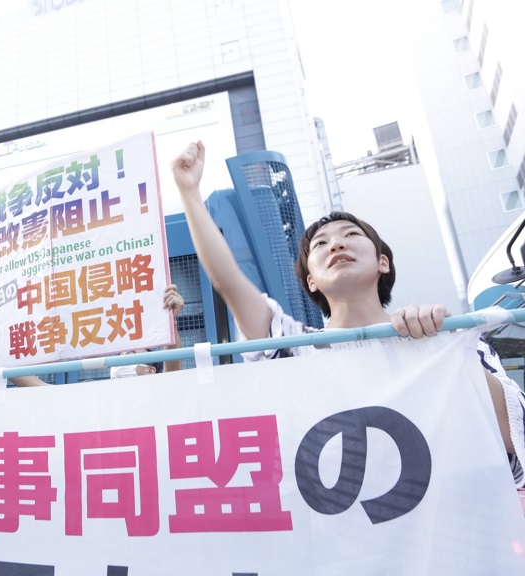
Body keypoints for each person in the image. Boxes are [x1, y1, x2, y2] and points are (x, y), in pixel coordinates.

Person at [171, 140, 524, 484]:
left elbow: (515, 435)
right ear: (311, 281)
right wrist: (189, 192)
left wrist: (443, 347)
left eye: (351, 234)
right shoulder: (294, 350)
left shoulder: (453, 340)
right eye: (321, 244)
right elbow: (229, 282)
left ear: (382, 261)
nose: (336, 244)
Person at [0, 284, 186, 387]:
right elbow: (40, 388)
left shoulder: (161, 390)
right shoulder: (95, 397)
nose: (121, 359)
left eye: (130, 352)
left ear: (151, 370)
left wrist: (170, 321)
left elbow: (172, 367)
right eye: (120, 353)